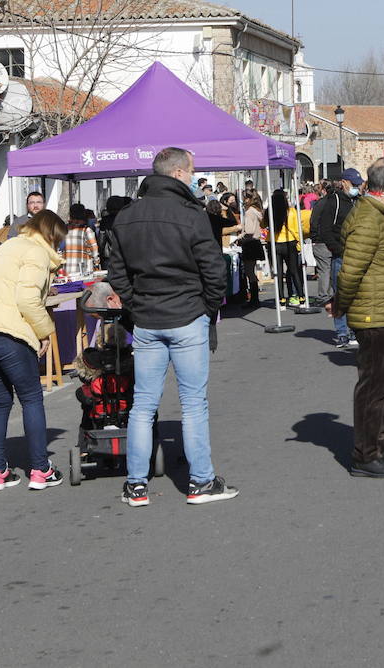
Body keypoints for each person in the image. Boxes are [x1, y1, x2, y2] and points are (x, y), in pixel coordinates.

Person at [105, 147, 236, 507]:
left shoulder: (128, 216)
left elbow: (117, 272)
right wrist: (207, 308)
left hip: (149, 318)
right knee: (193, 404)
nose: (194, 177)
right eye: (191, 171)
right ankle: (201, 482)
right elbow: (214, 269)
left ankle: (136, 485)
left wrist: (135, 305)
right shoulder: (191, 214)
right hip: (186, 315)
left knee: (143, 405)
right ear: (178, 173)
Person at [0, 210, 68, 490]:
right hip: (7, 332)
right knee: (31, 398)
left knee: (0, 400)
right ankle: (41, 469)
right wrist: (45, 332)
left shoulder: (7, 247)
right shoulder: (37, 252)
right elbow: (27, 299)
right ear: (52, 236)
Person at [330, 157, 384, 478]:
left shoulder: (378, 214)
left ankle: (378, 444)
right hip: (374, 315)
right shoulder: (368, 218)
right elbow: (351, 271)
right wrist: (341, 305)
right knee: (373, 385)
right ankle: (364, 455)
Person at [312, 170, 362, 349]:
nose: (356, 188)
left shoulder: (359, 201)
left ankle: (355, 330)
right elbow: (325, 229)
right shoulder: (335, 201)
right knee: (340, 295)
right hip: (341, 255)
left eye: (358, 185)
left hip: (358, 255)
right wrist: (338, 249)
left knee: (357, 295)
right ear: (344, 182)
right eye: (354, 185)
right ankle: (342, 333)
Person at [271, 188, 306, 308]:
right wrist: (299, 243)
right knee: (294, 270)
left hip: (275, 242)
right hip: (290, 242)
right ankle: (301, 297)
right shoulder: (291, 211)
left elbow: (263, 224)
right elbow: (296, 229)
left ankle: (281, 300)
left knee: (278, 273)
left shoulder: (270, 211)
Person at [238, 194, 266, 306]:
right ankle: (255, 298)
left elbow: (249, 230)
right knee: (251, 271)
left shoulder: (249, 212)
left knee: (249, 272)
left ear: (249, 199)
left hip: (249, 242)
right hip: (255, 242)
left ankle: (254, 299)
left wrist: (240, 236)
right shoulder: (257, 210)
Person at [58, 203, 99, 280]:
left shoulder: (64, 229)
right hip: (82, 273)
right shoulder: (86, 231)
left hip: (66, 273)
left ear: (70, 215)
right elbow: (95, 251)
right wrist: (96, 265)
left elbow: (58, 250)